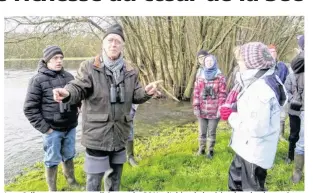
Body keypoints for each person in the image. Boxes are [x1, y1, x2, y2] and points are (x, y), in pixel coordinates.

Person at [51, 23, 160, 191]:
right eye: (110, 40)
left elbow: (136, 95)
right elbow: (78, 87)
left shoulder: (130, 70)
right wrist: (67, 93)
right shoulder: (89, 67)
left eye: (117, 41)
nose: (113, 44)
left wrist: (146, 92)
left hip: (120, 134)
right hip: (97, 136)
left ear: (123, 45)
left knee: (114, 180)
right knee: (94, 182)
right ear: (103, 44)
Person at [226, 42, 287, 191]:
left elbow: (257, 129)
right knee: (235, 180)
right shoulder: (259, 80)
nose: (238, 63)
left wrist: (232, 117)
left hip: (254, 152)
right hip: (246, 147)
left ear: (251, 63)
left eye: (240, 60)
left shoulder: (260, 90)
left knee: (251, 187)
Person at [23, 46, 80, 191]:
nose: (59, 61)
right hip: (52, 130)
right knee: (51, 160)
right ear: (47, 60)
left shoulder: (69, 77)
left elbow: (77, 97)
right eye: (55, 58)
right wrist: (45, 128)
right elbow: (29, 109)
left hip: (70, 127)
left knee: (69, 155)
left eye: (61, 58)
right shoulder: (37, 80)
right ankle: (52, 189)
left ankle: (72, 182)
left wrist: (78, 109)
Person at [193, 54, 227, 159]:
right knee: (202, 132)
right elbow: (196, 93)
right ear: (204, 63)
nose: (209, 63)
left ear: (214, 62)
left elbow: (223, 94)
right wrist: (196, 107)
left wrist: (220, 109)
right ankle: (201, 149)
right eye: (207, 61)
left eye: (211, 61)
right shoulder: (200, 77)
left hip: (215, 110)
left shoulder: (220, 77)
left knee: (211, 132)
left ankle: (210, 151)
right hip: (202, 111)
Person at [290, 35, 304, 183]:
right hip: (304, 106)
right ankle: (297, 173)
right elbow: (294, 65)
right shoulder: (302, 61)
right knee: (302, 140)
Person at [268, 44, 289, 140]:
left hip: (280, 94)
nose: (273, 54)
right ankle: (269, 135)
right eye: (270, 52)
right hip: (268, 95)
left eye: (274, 52)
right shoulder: (265, 66)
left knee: (281, 116)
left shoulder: (282, 66)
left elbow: (288, 79)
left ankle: (280, 135)